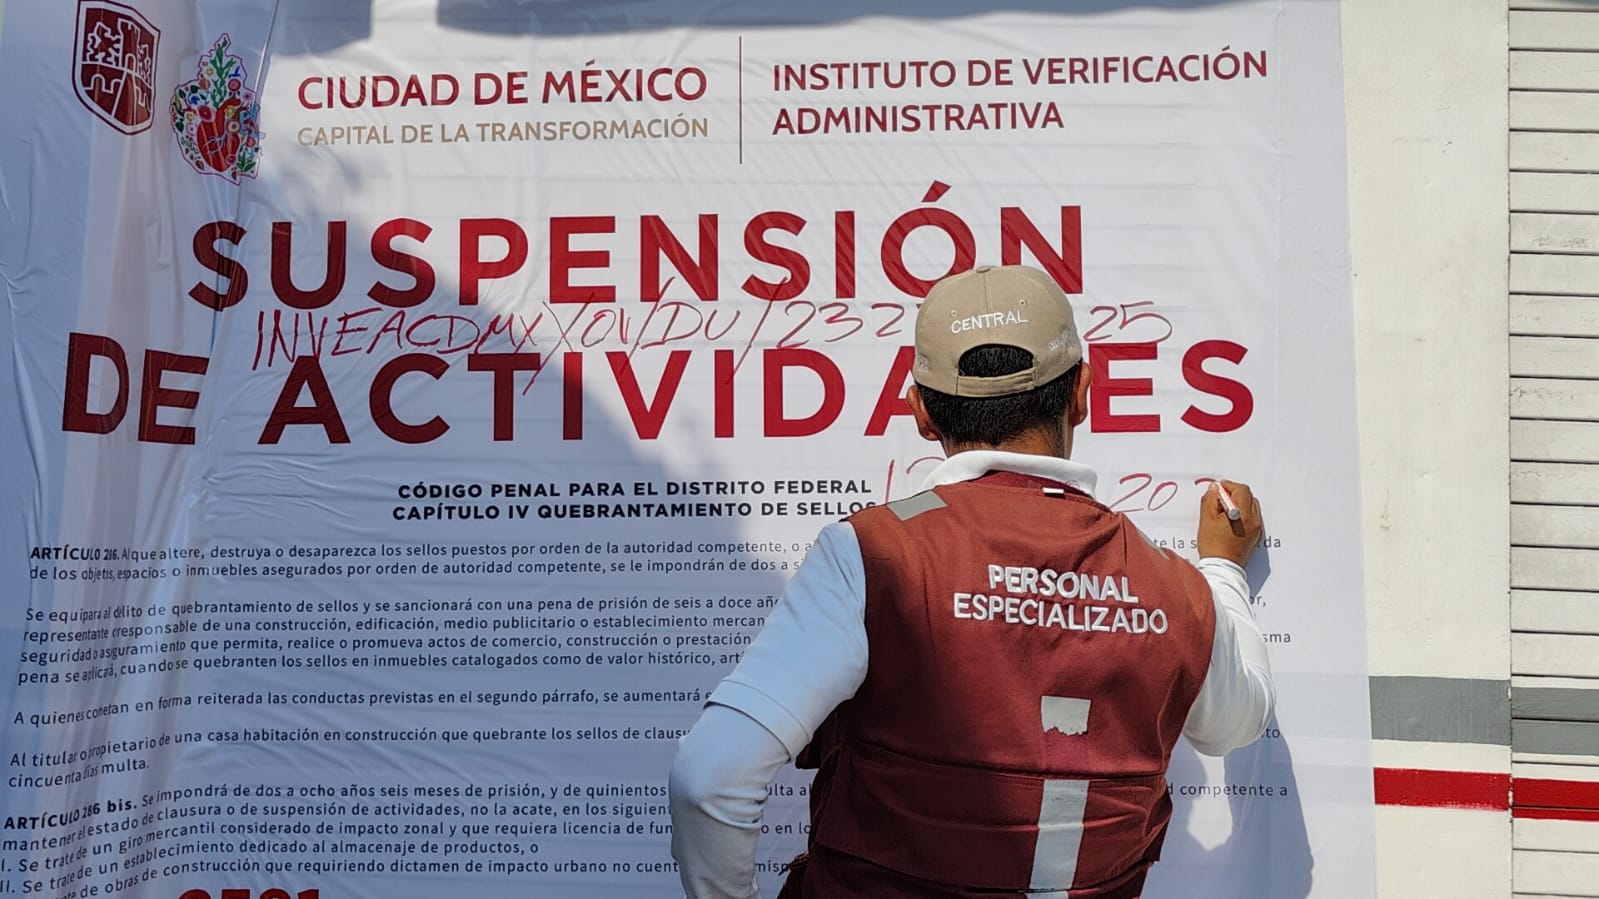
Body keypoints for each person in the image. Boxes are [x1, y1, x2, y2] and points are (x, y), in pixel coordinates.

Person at [668, 263, 1275, 899]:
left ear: (921, 412)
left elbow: (711, 778)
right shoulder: (1172, 587)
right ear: (1082, 392)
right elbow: (1237, 723)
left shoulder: (874, 554)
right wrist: (1223, 570)